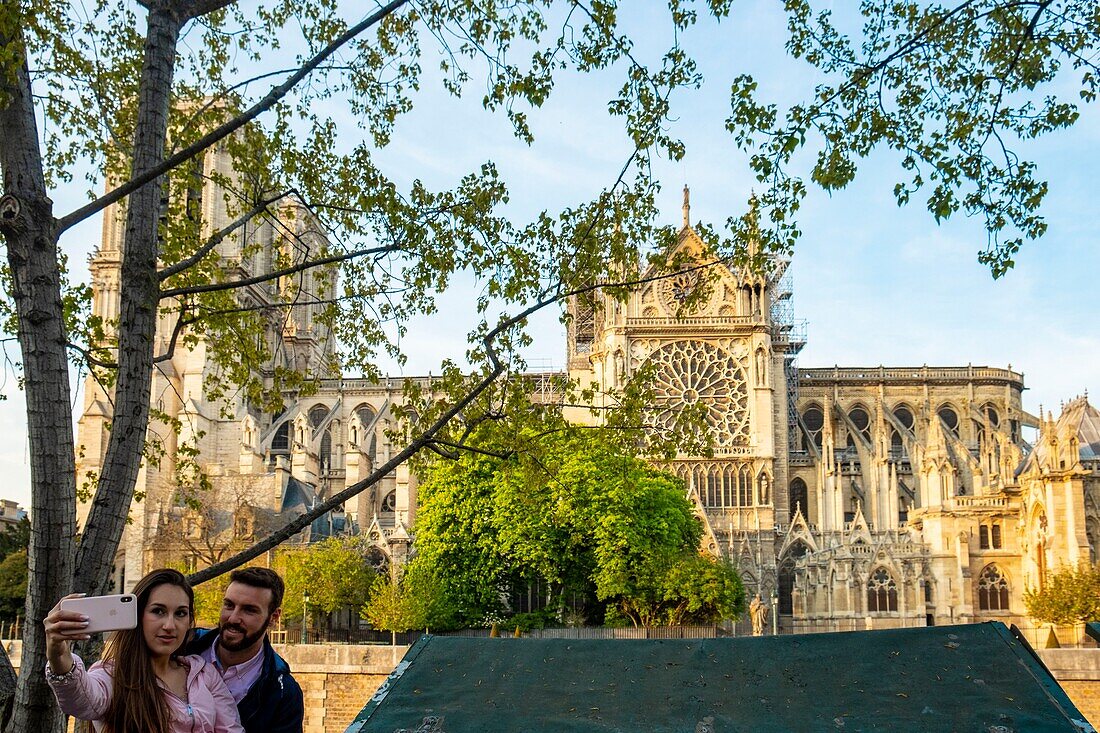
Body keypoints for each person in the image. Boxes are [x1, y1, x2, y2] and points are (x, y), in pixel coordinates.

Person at [44, 568, 243, 733]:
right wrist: (59, 655)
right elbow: (81, 701)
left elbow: (231, 729)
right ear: (137, 615)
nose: (170, 625)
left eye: (180, 613)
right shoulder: (113, 675)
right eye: (158, 611)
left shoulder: (202, 672)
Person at [184, 567, 304, 733]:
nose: (233, 618)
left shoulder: (282, 694)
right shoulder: (182, 648)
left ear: (273, 618)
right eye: (229, 605)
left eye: (249, 610)